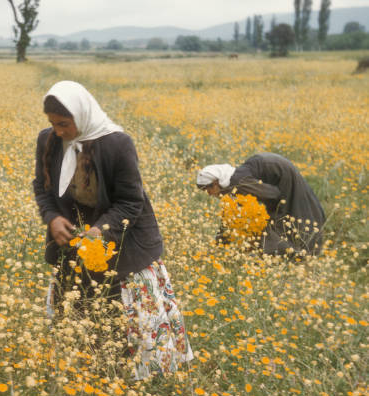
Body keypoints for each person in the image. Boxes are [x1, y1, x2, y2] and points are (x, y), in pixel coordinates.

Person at [33, 80, 193, 379]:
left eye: (64, 124)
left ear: (82, 117)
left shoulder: (117, 143)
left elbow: (131, 201)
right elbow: (41, 188)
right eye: (52, 124)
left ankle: (133, 377)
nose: (58, 131)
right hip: (72, 245)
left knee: (122, 314)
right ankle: (84, 372)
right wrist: (53, 217)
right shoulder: (49, 140)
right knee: (76, 312)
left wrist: (99, 231)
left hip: (124, 243)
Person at [197, 152, 326, 256]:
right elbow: (228, 216)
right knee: (276, 220)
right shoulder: (231, 182)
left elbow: (273, 194)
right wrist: (220, 244)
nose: (208, 194)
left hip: (281, 173)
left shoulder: (238, 183)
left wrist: (259, 219)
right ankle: (295, 251)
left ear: (215, 183)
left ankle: (301, 253)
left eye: (208, 189)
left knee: (293, 211)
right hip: (273, 165)